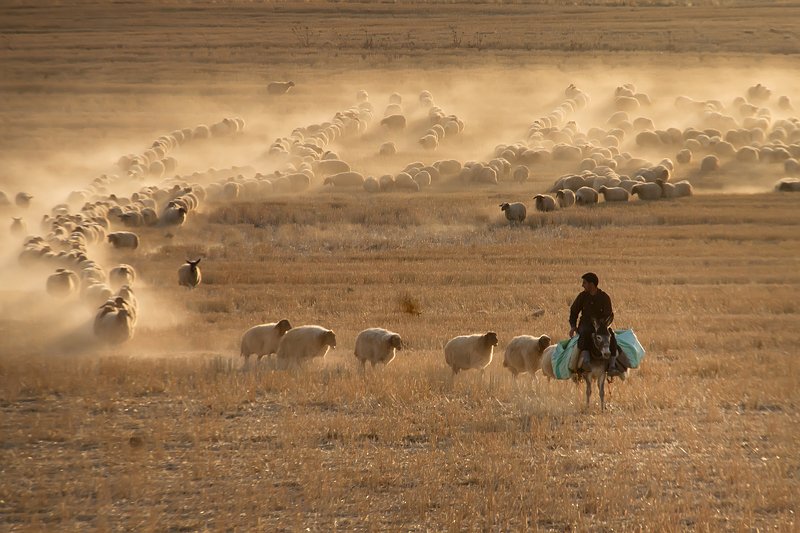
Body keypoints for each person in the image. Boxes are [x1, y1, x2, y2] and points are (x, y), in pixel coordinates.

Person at [568, 272, 623, 377]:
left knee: (611, 336)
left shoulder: (604, 297)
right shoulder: (582, 296)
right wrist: (573, 326)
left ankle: (612, 366)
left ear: (591, 284)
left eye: (584, 283)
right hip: (585, 325)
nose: (582, 285)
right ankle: (585, 362)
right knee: (585, 334)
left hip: (601, 326)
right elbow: (573, 311)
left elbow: (609, 314)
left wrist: (602, 325)